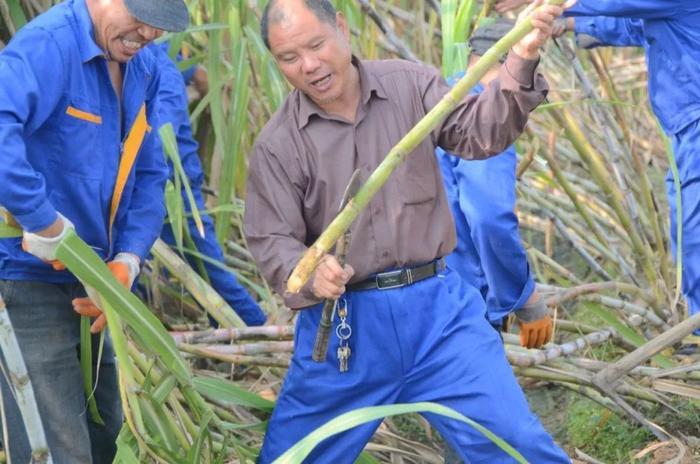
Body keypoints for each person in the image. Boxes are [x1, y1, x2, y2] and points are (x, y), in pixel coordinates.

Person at [244, 0, 571, 462]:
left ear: (340, 27)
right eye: (289, 58)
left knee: (517, 447)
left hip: (440, 317)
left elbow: (480, 133)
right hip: (346, 332)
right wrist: (309, 273)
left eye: (316, 45)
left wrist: (522, 56)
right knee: (293, 457)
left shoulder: (409, 85)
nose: (309, 66)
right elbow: (270, 238)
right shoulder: (279, 144)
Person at [0, 0, 188, 462]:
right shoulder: (50, 45)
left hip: (97, 286)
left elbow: (149, 175)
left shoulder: (145, 69)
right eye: (139, 16)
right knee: (59, 450)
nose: (146, 33)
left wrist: (127, 259)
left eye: (158, 26)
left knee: (111, 434)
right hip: (29, 282)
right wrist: (43, 221)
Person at [496, 0, 700, 352]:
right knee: (686, 229)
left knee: (695, 231)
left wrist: (554, 4)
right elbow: (635, 26)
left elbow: (619, 3)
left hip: (695, 125)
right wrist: (571, 24)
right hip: (682, 131)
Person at [438, 19, 553, 351]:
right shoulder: (488, 115)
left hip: (417, 293)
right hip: (462, 299)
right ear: (514, 63)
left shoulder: (439, 98)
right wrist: (522, 296)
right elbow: (488, 216)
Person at [150, 43, 267, 326]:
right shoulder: (156, 52)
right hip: (156, 185)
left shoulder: (159, 68)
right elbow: (196, 71)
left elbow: (158, 142)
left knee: (208, 268)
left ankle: (253, 328)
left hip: (173, 188)